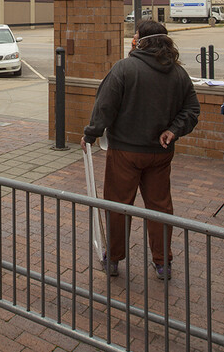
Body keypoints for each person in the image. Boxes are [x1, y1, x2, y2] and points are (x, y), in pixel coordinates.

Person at [82, 20, 200, 281]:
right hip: (160, 152)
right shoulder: (179, 74)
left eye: (135, 36)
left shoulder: (124, 68)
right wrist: (174, 130)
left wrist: (91, 134)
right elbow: (192, 110)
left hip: (125, 152)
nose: (133, 40)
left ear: (143, 41)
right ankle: (162, 262)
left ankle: (112, 258)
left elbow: (105, 106)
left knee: (118, 205)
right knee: (159, 208)